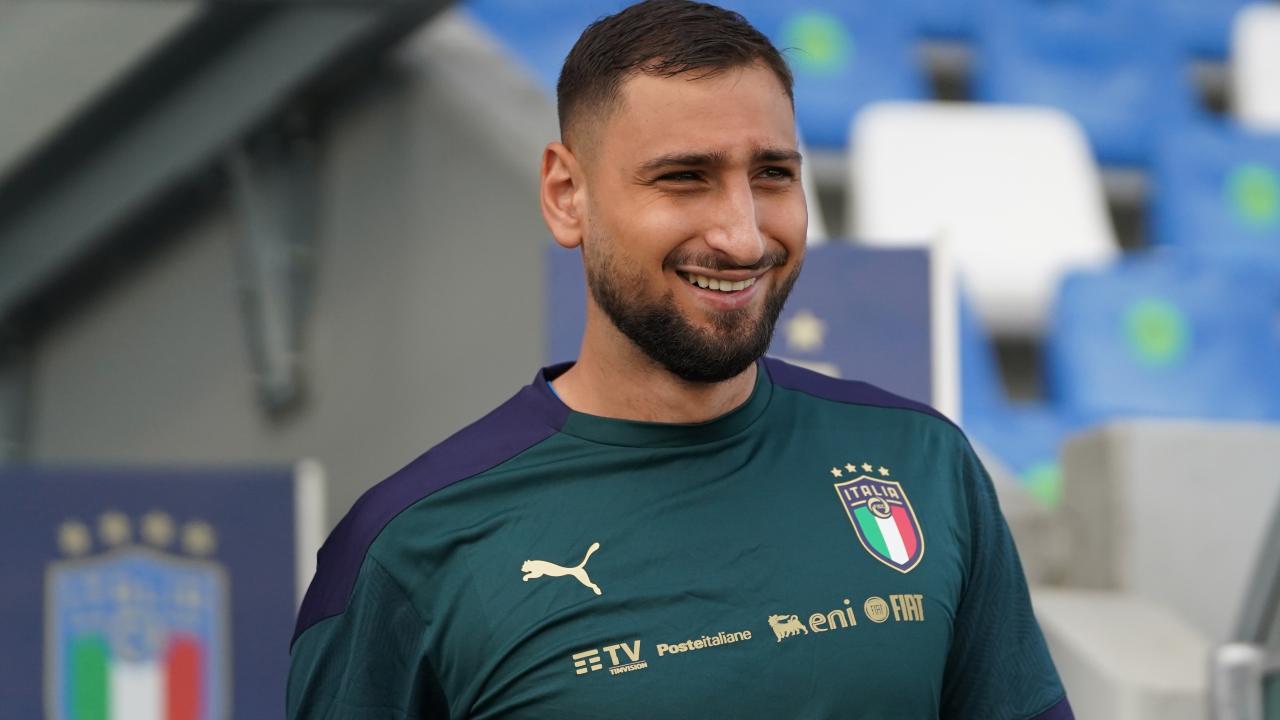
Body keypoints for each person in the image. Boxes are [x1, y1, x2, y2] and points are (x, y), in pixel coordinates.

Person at [287, 2, 1073, 718]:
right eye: (684, 178)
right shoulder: (412, 546)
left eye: (773, 175)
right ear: (568, 194)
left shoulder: (919, 462)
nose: (743, 234)